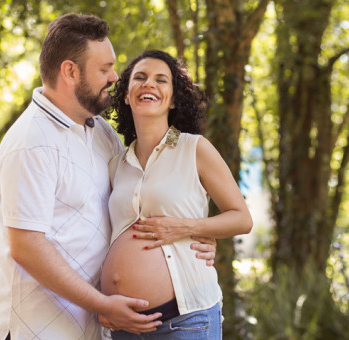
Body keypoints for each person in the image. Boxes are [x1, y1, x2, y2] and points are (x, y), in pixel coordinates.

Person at [0, 14, 216, 339]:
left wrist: (194, 236)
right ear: (70, 71)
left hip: (90, 327)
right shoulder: (31, 141)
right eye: (104, 68)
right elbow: (26, 246)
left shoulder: (101, 133)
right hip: (37, 328)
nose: (114, 77)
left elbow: (138, 201)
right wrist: (101, 304)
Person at [100, 50, 253, 339]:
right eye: (140, 78)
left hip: (184, 320)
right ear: (125, 94)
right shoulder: (118, 162)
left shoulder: (192, 148)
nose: (149, 84)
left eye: (161, 80)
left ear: (172, 99)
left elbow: (242, 219)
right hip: (123, 325)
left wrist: (188, 227)